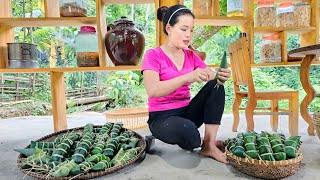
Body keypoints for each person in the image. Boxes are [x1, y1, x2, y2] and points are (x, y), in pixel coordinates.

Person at [141, 4, 231, 164]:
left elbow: (211, 75)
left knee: (216, 86)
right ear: (169, 28)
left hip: (187, 113)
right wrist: (187, 77)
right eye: (183, 29)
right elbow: (153, 90)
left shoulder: (191, 55)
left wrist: (220, 76)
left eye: (191, 30)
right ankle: (198, 141)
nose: (188, 35)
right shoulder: (153, 55)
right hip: (162, 118)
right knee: (190, 136)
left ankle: (209, 145)